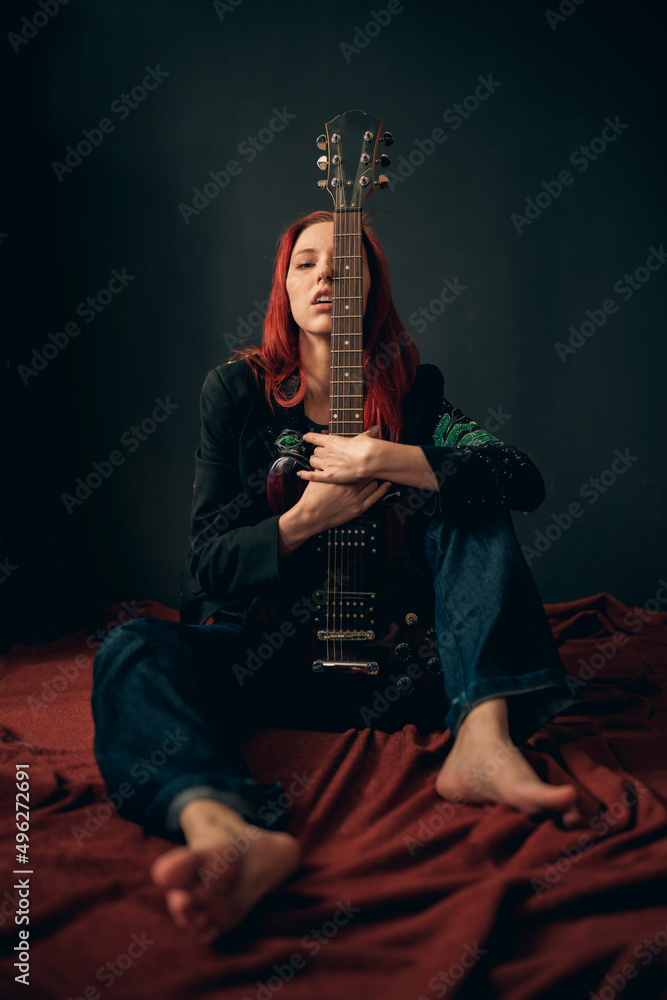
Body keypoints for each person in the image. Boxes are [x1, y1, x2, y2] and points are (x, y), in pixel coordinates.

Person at [92, 209, 582, 946]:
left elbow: (520, 478)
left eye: (345, 264)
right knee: (131, 646)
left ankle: (481, 743)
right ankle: (223, 829)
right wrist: (306, 517)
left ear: (370, 289)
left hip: (401, 668)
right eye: (305, 263)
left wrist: (381, 459)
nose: (326, 275)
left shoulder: (416, 395)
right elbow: (203, 568)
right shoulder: (236, 394)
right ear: (282, 290)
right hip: (269, 661)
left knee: (472, 499)